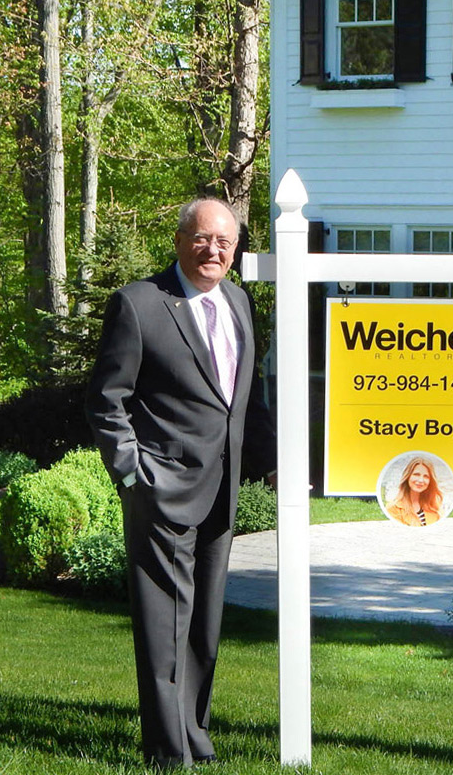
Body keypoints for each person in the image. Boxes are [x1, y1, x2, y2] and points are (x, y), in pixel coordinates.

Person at [86, 197, 275, 769]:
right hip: (160, 487)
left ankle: (193, 732)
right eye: (202, 238)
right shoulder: (140, 304)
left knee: (204, 626)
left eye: (224, 241)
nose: (213, 250)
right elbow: (106, 397)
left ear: (236, 248)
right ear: (179, 240)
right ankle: (167, 751)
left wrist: (267, 462)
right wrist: (131, 471)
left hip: (222, 490)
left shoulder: (240, 302)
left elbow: (244, 399)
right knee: (165, 625)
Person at [384, 456, 443, 526]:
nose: (421, 480)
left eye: (426, 476)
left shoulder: (435, 507)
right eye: (416, 474)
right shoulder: (393, 508)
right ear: (408, 477)